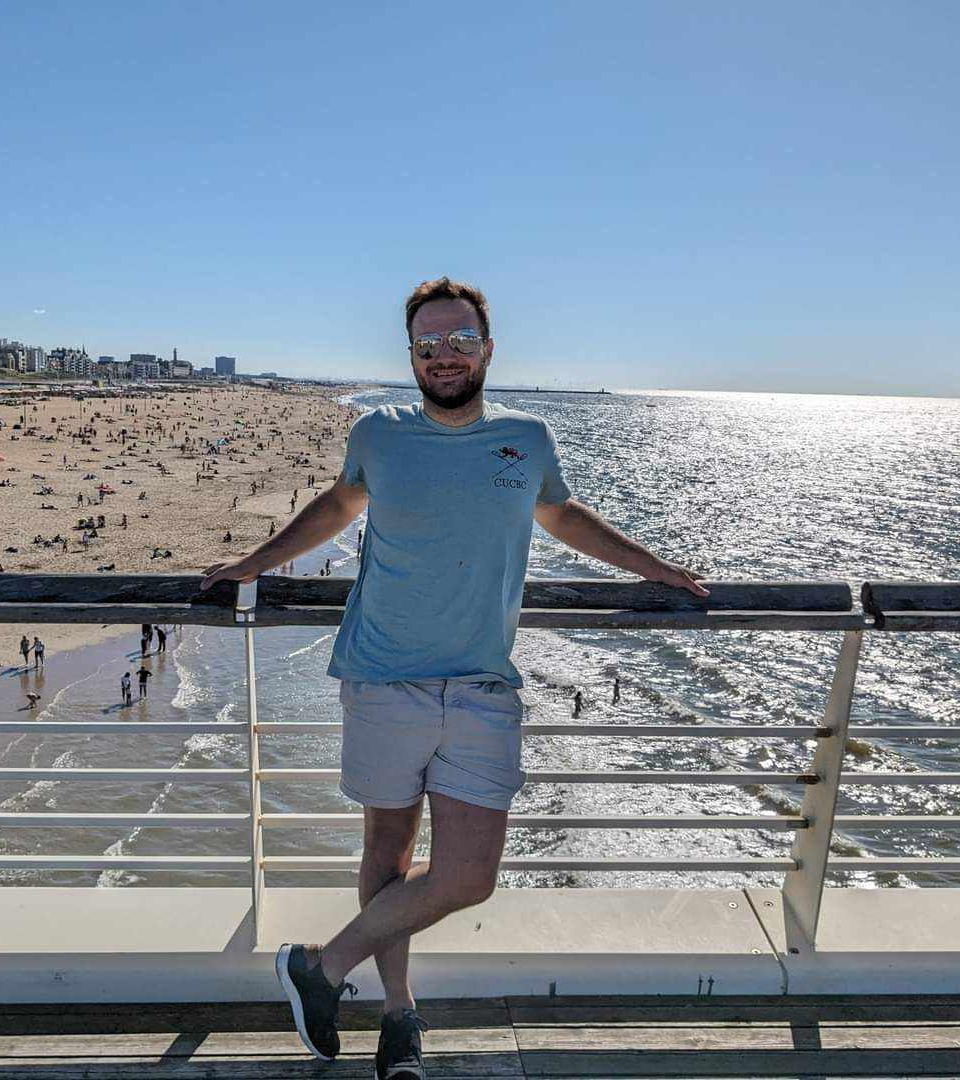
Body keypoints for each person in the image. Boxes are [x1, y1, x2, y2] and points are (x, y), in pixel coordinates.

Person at [199, 276, 710, 1072]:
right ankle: (399, 1017)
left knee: (470, 875)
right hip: (383, 676)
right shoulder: (377, 433)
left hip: (481, 684)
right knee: (388, 852)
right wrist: (252, 563)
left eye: (459, 340)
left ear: (488, 348)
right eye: (427, 344)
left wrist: (658, 568)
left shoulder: (529, 438)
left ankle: (320, 968)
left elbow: (563, 515)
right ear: (410, 354)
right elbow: (335, 509)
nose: (444, 356)